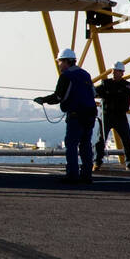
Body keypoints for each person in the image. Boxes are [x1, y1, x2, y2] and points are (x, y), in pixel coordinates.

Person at [34, 48, 98, 184]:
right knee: (86, 145)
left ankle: (73, 175)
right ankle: (87, 175)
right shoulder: (85, 74)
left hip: (76, 115)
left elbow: (58, 96)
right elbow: (93, 93)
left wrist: (43, 100)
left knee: (71, 144)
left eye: (60, 62)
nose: (59, 65)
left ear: (66, 61)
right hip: (90, 114)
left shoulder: (66, 76)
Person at [94, 61, 130, 172]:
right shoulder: (106, 84)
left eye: (117, 71)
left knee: (127, 140)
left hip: (120, 116)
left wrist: (106, 92)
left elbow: (120, 96)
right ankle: (97, 163)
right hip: (106, 116)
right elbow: (94, 92)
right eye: (113, 71)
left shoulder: (126, 85)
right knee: (100, 140)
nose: (114, 73)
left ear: (122, 73)